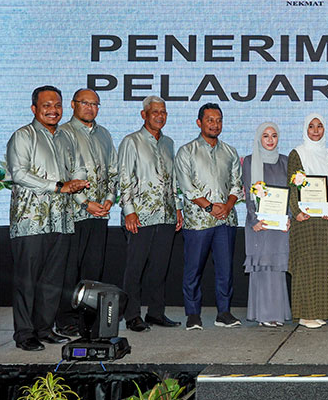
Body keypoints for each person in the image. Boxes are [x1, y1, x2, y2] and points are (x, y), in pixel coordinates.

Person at [7, 86, 88, 351]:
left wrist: (80, 189)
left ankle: (45, 328)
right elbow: (18, 174)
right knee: (27, 281)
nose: (53, 110)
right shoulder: (23, 136)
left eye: (57, 105)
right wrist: (57, 186)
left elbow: (77, 168)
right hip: (31, 221)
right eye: (47, 106)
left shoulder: (66, 138)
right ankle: (25, 333)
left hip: (61, 220)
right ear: (34, 109)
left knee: (53, 281)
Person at [54, 89, 118, 336]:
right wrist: (85, 202)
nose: (91, 108)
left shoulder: (104, 134)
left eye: (95, 104)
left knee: (94, 269)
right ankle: (66, 320)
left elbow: (113, 170)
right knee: (70, 270)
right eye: (85, 103)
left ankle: (88, 319)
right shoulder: (63, 133)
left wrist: (110, 199)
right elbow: (63, 172)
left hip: (100, 214)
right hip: (73, 214)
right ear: (73, 104)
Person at [175, 103, 244, 330]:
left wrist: (228, 205)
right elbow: (186, 186)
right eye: (210, 120)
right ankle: (193, 314)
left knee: (225, 270)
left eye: (218, 120)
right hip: (197, 222)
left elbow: (237, 184)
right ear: (199, 123)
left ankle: (223, 313)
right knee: (193, 269)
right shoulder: (186, 151)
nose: (215, 124)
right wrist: (209, 207)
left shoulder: (230, 152)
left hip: (226, 220)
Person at [119, 96, 183, 332]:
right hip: (140, 216)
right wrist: (129, 211)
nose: (160, 116)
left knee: (159, 268)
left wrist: (177, 208)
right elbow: (124, 178)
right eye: (155, 111)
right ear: (143, 114)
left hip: (165, 216)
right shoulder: (131, 141)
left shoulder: (168, 143)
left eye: (163, 112)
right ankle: (132, 315)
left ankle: (156, 313)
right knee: (135, 268)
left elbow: (173, 180)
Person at [287, 114, 328, 329]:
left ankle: (319, 311)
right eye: (311, 126)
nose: (315, 130)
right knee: (305, 264)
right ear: (305, 129)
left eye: (319, 126)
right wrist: (296, 211)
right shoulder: (297, 153)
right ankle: (304, 314)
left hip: (323, 218)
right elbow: (292, 185)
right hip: (304, 218)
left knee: (322, 265)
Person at [242, 122, 291, 327]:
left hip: (279, 226)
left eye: (274, 136)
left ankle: (277, 313)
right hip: (259, 224)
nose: (270, 140)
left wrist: (288, 217)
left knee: (277, 268)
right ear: (258, 139)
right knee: (262, 268)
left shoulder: (286, 161)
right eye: (265, 136)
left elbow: (291, 194)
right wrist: (254, 220)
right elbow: (248, 192)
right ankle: (263, 314)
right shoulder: (250, 162)